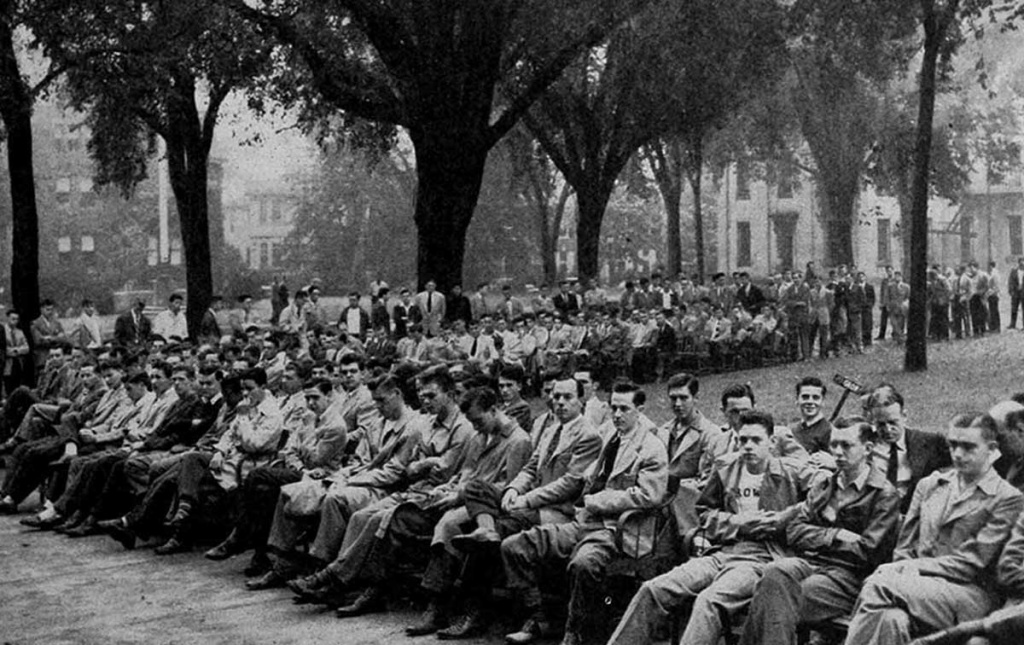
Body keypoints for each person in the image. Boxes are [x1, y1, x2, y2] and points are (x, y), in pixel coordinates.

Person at [607, 409, 813, 645]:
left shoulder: (791, 472)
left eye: (756, 440)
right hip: (722, 552)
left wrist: (784, 517)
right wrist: (738, 523)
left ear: (772, 442)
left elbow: (823, 492)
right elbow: (704, 514)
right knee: (653, 589)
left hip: (761, 559)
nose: (748, 446)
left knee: (709, 601)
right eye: (742, 440)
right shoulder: (726, 468)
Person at [501, 381, 667, 645]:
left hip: (618, 530)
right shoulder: (611, 438)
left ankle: (576, 632)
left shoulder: (651, 448)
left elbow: (649, 496)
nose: (617, 414)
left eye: (625, 408)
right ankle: (540, 617)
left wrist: (598, 501)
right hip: (583, 523)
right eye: (613, 407)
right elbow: (588, 475)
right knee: (515, 546)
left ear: (640, 409)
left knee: (583, 564)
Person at [843, 413, 1024, 645]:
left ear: (991, 448)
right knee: (890, 619)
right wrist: (902, 567)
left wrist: (907, 569)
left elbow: (972, 563)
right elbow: (905, 546)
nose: (958, 453)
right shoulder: (930, 485)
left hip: (968, 595)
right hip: (915, 588)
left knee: (879, 582)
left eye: (968, 447)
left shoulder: (1007, 498)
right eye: (953, 445)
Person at [737, 417, 901, 645]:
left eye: (847, 445)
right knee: (774, 572)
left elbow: (868, 551)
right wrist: (835, 535)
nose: (838, 452)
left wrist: (816, 535)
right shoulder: (825, 485)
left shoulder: (883, 494)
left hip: (848, 578)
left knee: (776, 598)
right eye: (834, 445)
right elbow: (794, 530)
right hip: (811, 564)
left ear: (868, 449)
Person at [204, 378, 347, 561]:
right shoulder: (309, 416)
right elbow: (290, 451)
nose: (310, 403)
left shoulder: (335, 426)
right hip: (303, 472)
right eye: (307, 398)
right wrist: (301, 467)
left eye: (315, 398)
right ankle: (260, 554)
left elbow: (315, 460)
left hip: (322, 478)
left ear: (328, 396)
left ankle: (239, 537)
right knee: (262, 491)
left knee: (257, 475)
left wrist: (309, 430)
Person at [862, 383, 951, 513]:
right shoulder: (864, 444)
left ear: (904, 416)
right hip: (876, 516)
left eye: (893, 422)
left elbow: (957, 470)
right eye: (881, 424)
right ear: (872, 420)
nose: (888, 429)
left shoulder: (930, 442)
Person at [791, 376, 833, 456]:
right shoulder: (792, 428)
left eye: (815, 398)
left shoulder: (829, 432)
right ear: (797, 400)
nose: (810, 401)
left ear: (823, 401)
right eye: (805, 397)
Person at [32, 298, 69, 373]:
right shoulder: (35, 324)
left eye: (52, 309)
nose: (50, 312)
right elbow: (39, 341)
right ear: (41, 309)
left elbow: (64, 339)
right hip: (43, 359)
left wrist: (50, 338)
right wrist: (57, 337)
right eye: (48, 309)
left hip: (58, 358)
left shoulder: (57, 323)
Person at [3, 309, 31, 397]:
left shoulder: (19, 332)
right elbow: (3, 349)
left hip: (18, 363)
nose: (15, 322)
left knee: (17, 385)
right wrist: (15, 351)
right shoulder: (2, 331)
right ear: (7, 318)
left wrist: (16, 351)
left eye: (17, 319)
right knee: (7, 386)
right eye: (13, 319)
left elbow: (26, 348)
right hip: (6, 364)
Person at [1008, 257, 1024, 330]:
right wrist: (1011, 291)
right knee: (1014, 309)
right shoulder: (1014, 271)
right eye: (1021, 262)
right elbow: (1010, 282)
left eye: (1023, 262)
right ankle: (1012, 324)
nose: (1022, 264)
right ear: (1018, 263)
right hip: (1016, 293)